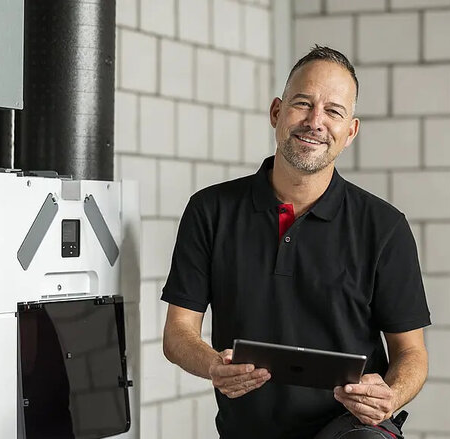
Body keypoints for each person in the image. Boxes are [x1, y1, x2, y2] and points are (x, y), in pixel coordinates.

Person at [161, 45, 430, 439]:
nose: (315, 121)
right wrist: (213, 365)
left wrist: (390, 396)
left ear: (350, 132)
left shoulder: (385, 227)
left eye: (333, 111)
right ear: (276, 112)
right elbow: (178, 332)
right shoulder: (210, 211)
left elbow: (411, 353)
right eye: (303, 103)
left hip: (351, 431)